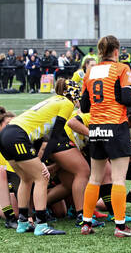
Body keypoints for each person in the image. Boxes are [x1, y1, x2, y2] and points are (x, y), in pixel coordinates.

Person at [0, 78, 80, 236]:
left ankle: (23, 223)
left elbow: (41, 136)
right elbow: (55, 136)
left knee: (26, 178)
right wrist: (42, 162)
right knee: (41, 178)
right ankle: (41, 224)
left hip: (6, 134)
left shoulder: (53, 99)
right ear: (73, 94)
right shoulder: (67, 103)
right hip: (17, 135)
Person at [80, 35, 131, 237]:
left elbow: (85, 106)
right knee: (118, 179)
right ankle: (121, 227)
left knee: (94, 178)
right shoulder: (122, 68)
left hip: (96, 128)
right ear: (117, 51)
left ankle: (86, 223)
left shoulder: (90, 71)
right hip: (115, 126)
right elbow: (125, 98)